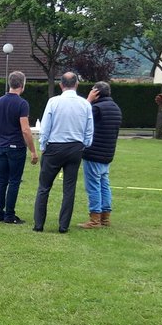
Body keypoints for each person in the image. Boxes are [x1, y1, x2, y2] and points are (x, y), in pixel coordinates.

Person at [32, 71, 93, 234]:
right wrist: (84, 144)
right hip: (75, 147)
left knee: (44, 187)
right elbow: (89, 129)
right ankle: (63, 225)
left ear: (61, 85)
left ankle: (39, 224)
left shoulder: (53, 102)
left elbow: (45, 126)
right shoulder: (85, 104)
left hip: (55, 146)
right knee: (69, 188)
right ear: (77, 84)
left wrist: (43, 145)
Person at [0, 71, 39, 224]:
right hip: (16, 146)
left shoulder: (0, 101)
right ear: (22, 85)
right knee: (14, 181)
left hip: (1, 145)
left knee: (1, 181)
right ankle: (9, 215)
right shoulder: (22, 103)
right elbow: (25, 129)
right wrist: (33, 151)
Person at [78, 81, 122, 229]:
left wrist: (88, 100)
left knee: (93, 186)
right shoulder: (115, 108)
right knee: (104, 185)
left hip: (94, 152)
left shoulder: (96, 108)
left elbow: (81, 117)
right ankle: (105, 217)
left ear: (96, 93)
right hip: (107, 153)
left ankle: (94, 218)